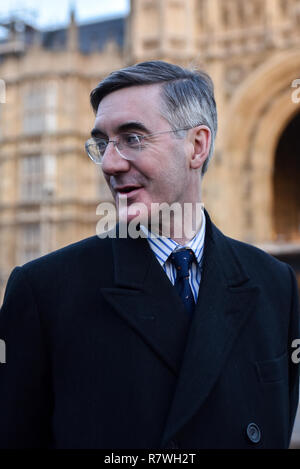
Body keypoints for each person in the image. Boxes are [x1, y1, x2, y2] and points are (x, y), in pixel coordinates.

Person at [0, 60, 299, 449]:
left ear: (197, 145)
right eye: (102, 143)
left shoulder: (275, 284)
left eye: (133, 138)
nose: (109, 163)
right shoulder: (44, 292)